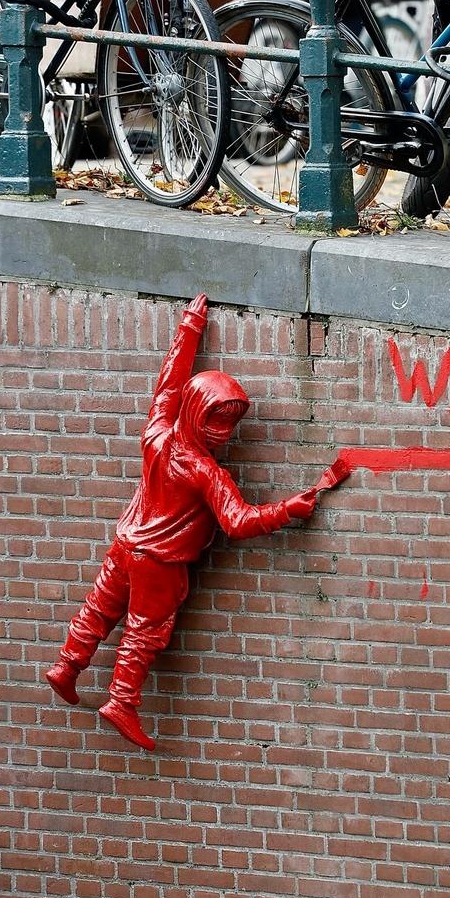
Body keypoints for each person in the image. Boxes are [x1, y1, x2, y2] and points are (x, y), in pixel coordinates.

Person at [44, 294, 320, 752]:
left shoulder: (157, 434)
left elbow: (169, 381)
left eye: (230, 425)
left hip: (125, 545)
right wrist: (288, 509)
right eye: (218, 422)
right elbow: (238, 521)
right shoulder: (204, 471)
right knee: (146, 629)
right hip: (160, 562)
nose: (224, 435)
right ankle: (122, 700)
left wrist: (190, 326)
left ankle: (68, 665)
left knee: (99, 609)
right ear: (199, 413)